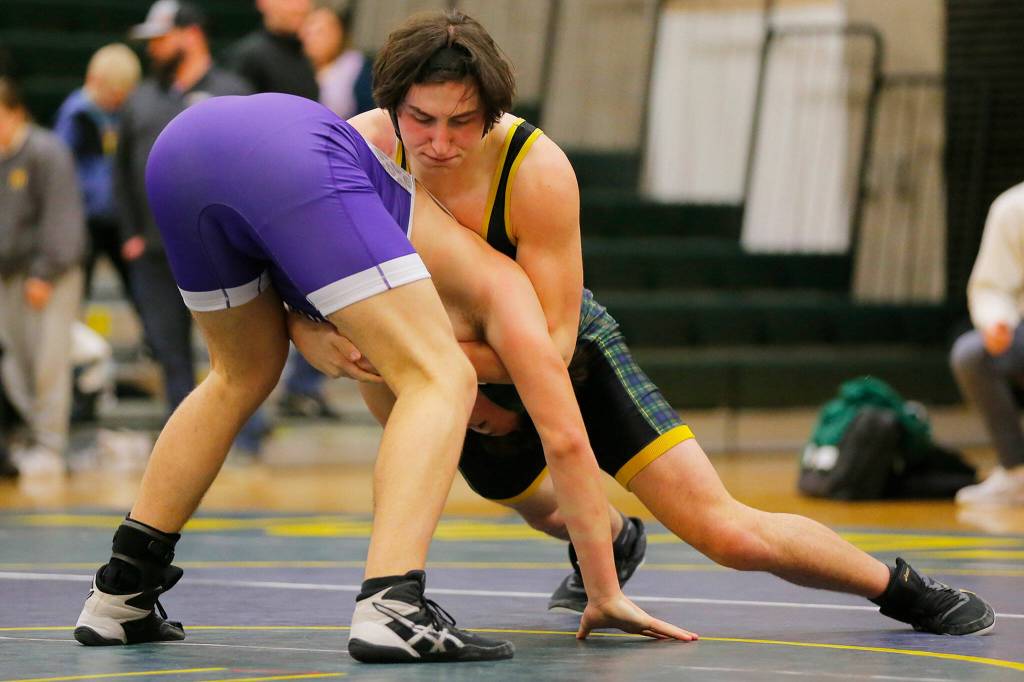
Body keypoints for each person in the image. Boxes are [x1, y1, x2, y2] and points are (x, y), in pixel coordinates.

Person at [292, 9, 996, 636]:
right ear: (390, 105)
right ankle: (616, 537)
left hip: (562, 356)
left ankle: (900, 589)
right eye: (422, 120)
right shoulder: (359, 151)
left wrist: (422, 359)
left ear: (494, 113)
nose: (441, 143)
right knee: (539, 507)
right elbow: (294, 290)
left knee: (725, 532)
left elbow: (554, 344)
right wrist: (323, 338)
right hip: (443, 366)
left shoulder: (534, 171)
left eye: (462, 123)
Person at [72, 92, 693, 663]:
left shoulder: (386, 266)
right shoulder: (505, 289)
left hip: (183, 148)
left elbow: (288, 249)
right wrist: (604, 591)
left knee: (238, 374)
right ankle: (392, 604)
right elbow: (564, 439)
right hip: (285, 154)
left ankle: (122, 592)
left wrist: (309, 330)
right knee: (442, 376)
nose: (473, 427)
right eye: (484, 421)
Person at [118, 1, 250, 414]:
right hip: (156, 250)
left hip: (221, 248)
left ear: (191, 35)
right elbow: (120, 169)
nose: (152, 48)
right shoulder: (141, 98)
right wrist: (130, 234)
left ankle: (245, 434)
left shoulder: (233, 90)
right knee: (169, 351)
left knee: (238, 350)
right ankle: (184, 433)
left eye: (161, 39)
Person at [227, 0, 339, 424]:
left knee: (326, 295)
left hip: (304, 194)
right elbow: (239, 130)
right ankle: (250, 420)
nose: (299, 5)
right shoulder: (248, 56)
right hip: (263, 200)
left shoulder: (302, 58)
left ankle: (302, 389)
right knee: (256, 316)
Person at [0, 77, 87, 476]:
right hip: (8, 275)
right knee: (15, 363)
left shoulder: (45, 151)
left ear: (16, 112)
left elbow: (62, 218)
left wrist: (44, 274)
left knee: (48, 361)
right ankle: (29, 437)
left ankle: (51, 445)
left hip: (48, 276)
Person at [950, 181, 1024, 506]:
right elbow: (991, 287)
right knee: (972, 354)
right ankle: (1016, 472)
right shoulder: (1014, 207)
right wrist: (997, 321)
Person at [54, 43, 142, 301]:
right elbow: (62, 167)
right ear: (95, 81)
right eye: (113, 94)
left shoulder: (129, 114)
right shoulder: (76, 114)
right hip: (85, 220)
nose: (116, 101)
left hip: (121, 218)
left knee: (140, 291)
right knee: (77, 292)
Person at [299, 0, 373, 120]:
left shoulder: (358, 68)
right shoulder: (296, 67)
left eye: (320, 32)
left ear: (339, 33)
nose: (313, 39)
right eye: (309, 32)